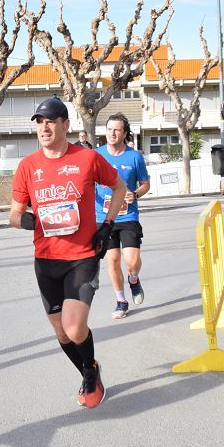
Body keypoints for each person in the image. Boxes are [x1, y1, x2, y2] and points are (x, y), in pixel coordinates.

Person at [10, 96, 127, 409]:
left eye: (50, 121)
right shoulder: (27, 166)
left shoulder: (86, 159)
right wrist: (25, 219)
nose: (44, 127)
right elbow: (14, 213)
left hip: (81, 257)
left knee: (75, 329)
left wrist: (108, 225)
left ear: (65, 124)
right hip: (46, 261)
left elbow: (120, 188)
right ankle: (90, 371)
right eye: (39, 122)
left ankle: (89, 371)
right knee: (62, 334)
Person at [95, 113, 150, 319]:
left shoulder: (134, 157)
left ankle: (134, 279)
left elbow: (145, 184)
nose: (112, 133)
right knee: (112, 261)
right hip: (103, 216)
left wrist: (135, 194)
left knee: (131, 261)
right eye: (109, 129)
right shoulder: (96, 155)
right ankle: (121, 301)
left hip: (128, 216)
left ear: (124, 133)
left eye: (117, 129)